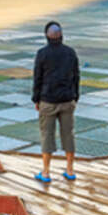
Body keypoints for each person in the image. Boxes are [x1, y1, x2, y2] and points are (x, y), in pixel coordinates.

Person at [32, 20, 79, 183]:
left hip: (48, 100)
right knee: (68, 134)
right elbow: (76, 77)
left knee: (47, 135)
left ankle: (45, 173)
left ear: (47, 36)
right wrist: (75, 96)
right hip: (67, 100)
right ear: (61, 36)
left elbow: (37, 78)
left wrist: (36, 99)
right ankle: (70, 170)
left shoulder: (42, 53)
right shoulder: (70, 52)